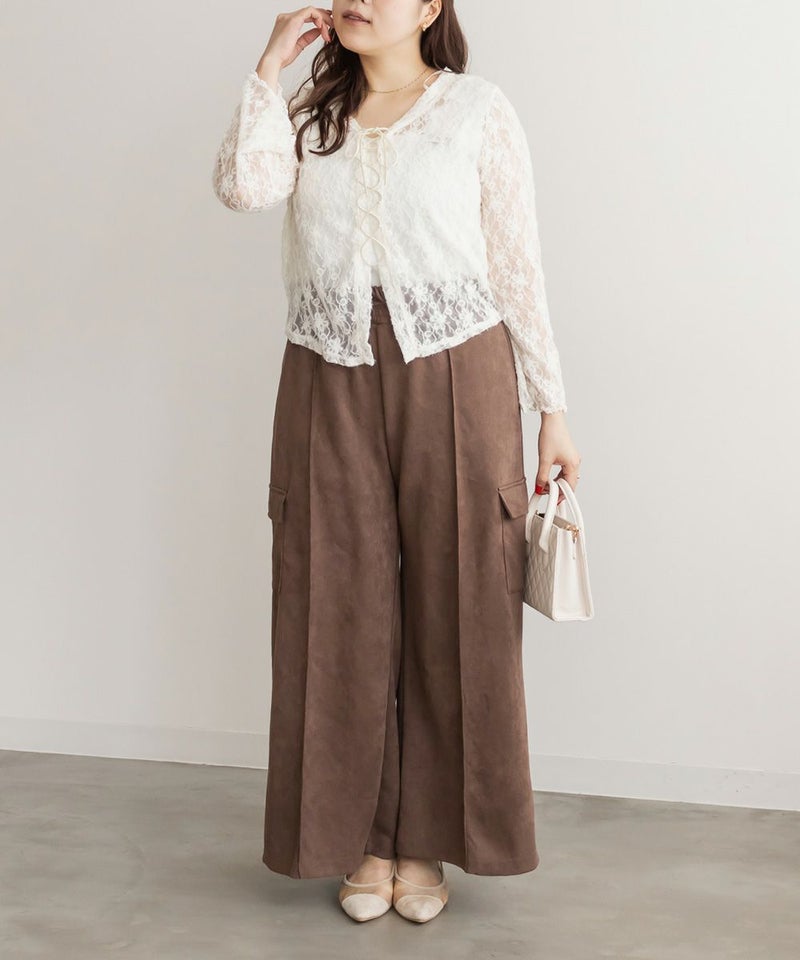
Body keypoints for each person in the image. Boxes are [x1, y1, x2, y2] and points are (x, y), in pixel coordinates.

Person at [211, 0, 582, 924]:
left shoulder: (476, 110)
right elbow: (244, 188)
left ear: (429, 9)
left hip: (458, 367)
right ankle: (364, 841)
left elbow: (517, 262)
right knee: (332, 595)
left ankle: (426, 844)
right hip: (326, 365)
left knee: (462, 599)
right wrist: (269, 67)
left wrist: (552, 408)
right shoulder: (311, 115)